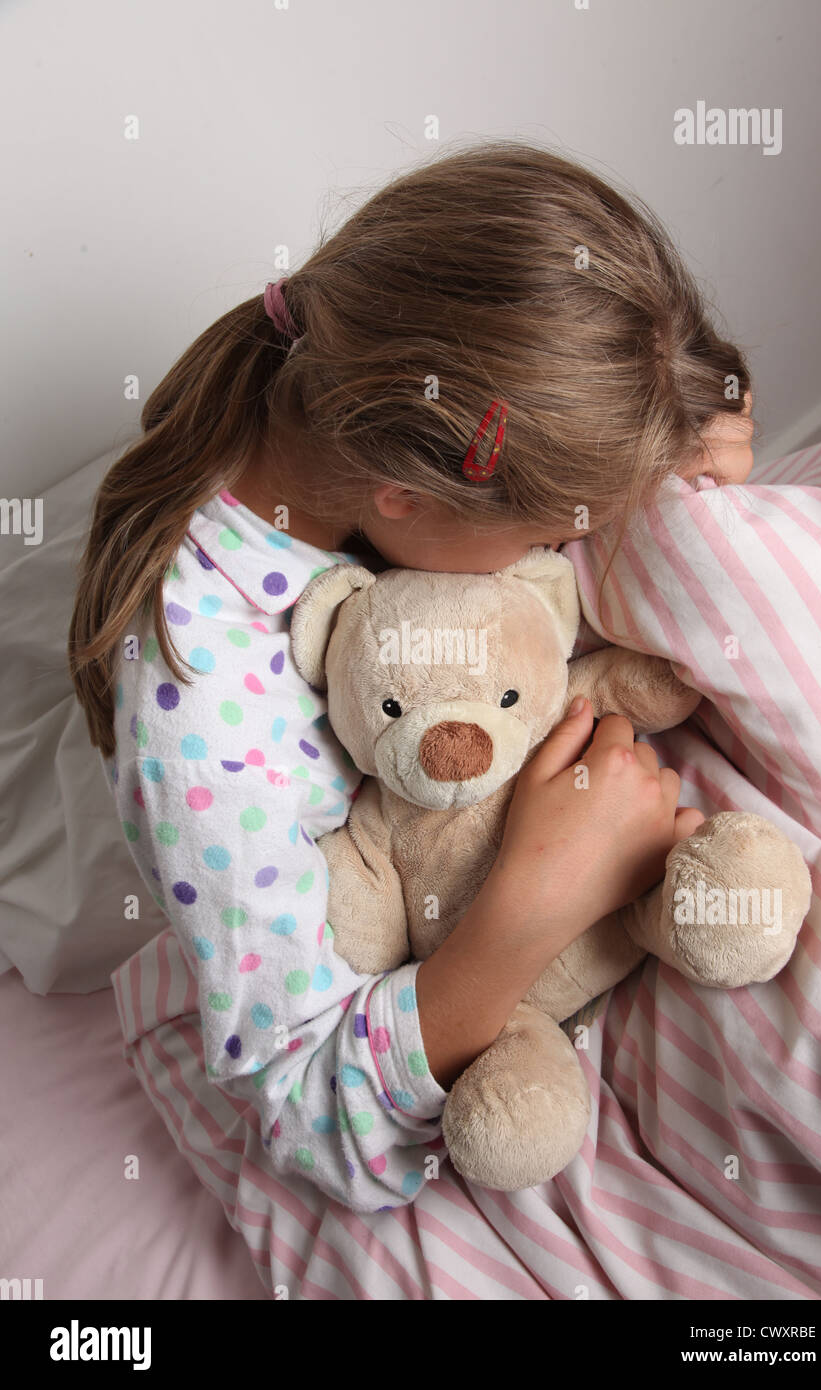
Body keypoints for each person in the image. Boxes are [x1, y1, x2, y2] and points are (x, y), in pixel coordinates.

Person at [69, 140, 755, 1213]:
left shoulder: (362, 419)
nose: (571, 548)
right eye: (554, 528)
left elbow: (606, 391)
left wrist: (676, 415)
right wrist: (536, 894)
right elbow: (298, 1107)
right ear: (404, 499)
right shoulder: (200, 704)